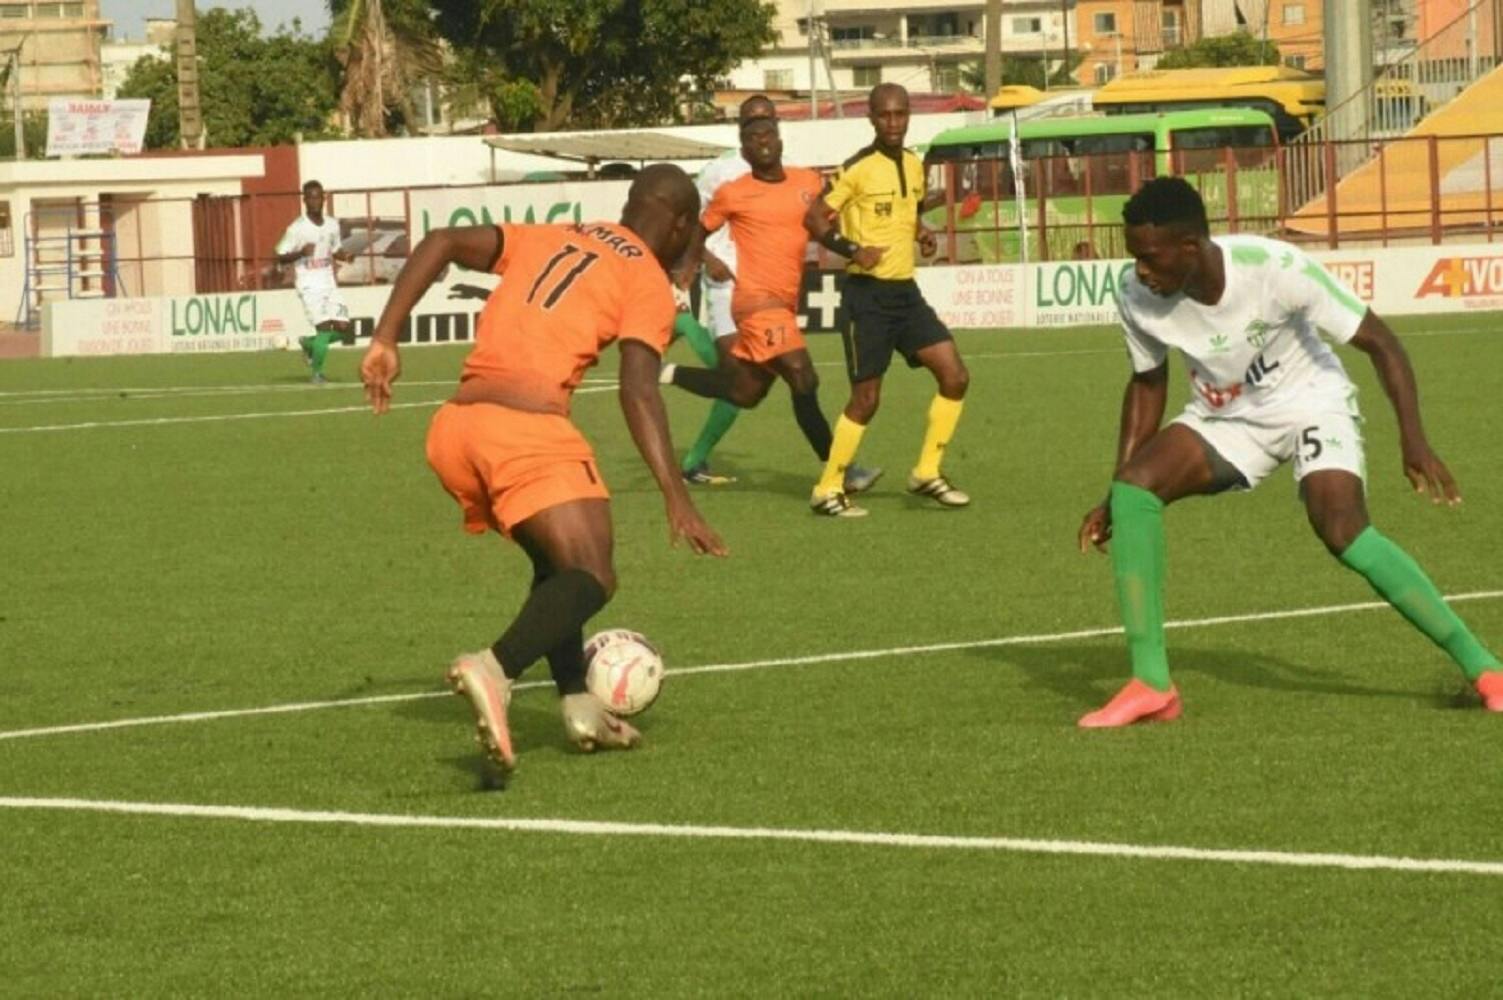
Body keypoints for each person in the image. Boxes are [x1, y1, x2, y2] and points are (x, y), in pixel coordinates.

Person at [1076, 176, 1501, 727]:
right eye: (1135, 258)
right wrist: (1114, 489)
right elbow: (1147, 385)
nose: (1141, 272)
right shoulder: (1138, 297)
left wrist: (1413, 438)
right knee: (1136, 489)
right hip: (1224, 418)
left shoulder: (1274, 269)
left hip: (1311, 403)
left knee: (1342, 529)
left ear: (1191, 246)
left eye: (1151, 259)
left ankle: (1485, 667)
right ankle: (1152, 684)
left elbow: (1380, 342)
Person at [359, 164, 727, 773]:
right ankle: (496, 669)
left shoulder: (557, 234)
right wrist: (675, 493)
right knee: (593, 574)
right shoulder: (646, 280)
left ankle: (578, 703)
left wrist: (386, 338)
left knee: (559, 567)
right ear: (682, 225)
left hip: (456, 429)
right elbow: (639, 390)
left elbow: (443, 242)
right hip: (524, 430)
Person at [659, 110, 879, 516]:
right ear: (744, 149)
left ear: (779, 140)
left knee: (746, 391)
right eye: (753, 136)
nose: (762, 140)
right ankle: (835, 476)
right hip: (756, 302)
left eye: (768, 133)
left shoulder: (807, 182)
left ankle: (666, 373)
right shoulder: (734, 191)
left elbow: (836, 201)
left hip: (782, 302)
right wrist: (693, 263)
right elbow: (696, 230)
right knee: (802, 375)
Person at [803, 82, 972, 515]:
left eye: (901, 114)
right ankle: (827, 489)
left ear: (908, 116)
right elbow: (813, 217)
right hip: (867, 296)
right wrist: (851, 250)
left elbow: (908, 209)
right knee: (866, 399)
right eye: (885, 115)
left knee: (955, 376)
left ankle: (926, 472)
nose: (894, 122)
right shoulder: (857, 168)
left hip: (906, 294)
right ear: (872, 119)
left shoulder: (915, 166)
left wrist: (920, 232)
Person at [667, 95, 779, 487]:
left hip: (763, 287)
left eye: (767, 120)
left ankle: (684, 326)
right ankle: (694, 458)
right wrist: (707, 256)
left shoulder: (777, 169)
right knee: (740, 381)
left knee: (748, 381)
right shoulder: (720, 172)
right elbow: (689, 222)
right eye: (752, 121)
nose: (760, 128)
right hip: (725, 283)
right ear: (740, 129)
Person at [275, 180, 353, 384]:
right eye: (310, 197)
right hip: (309, 284)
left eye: (318, 196)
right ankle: (317, 373)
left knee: (345, 328)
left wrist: (345, 256)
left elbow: (335, 249)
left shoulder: (332, 224)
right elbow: (280, 255)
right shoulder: (297, 228)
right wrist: (300, 252)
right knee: (325, 328)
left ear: (323, 198)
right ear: (304, 200)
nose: (314, 201)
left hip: (328, 282)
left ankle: (309, 344)